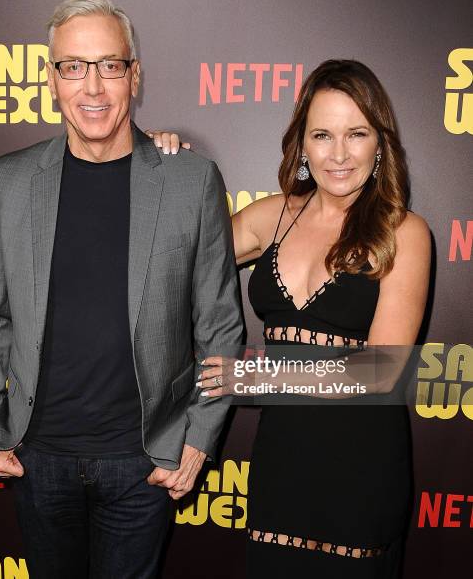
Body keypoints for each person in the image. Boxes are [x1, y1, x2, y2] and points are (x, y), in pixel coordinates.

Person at [0, 0, 243, 579]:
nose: (92, 87)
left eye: (109, 65)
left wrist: (198, 439)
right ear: (52, 80)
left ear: (134, 76)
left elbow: (219, 325)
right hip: (38, 458)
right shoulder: (9, 180)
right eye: (73, 66)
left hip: (144, 461)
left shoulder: (190, 180)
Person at [151, 59, 430, 577]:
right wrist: (161, 166)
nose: (339, 154)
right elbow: (171, 259)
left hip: (361, 466)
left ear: (380, 144)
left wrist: (253, 375)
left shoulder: (404, 232)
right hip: (282, 463)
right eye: (323, 134)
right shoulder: (271, 216)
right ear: (302, 143)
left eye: (357, 133)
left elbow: (381, 371)